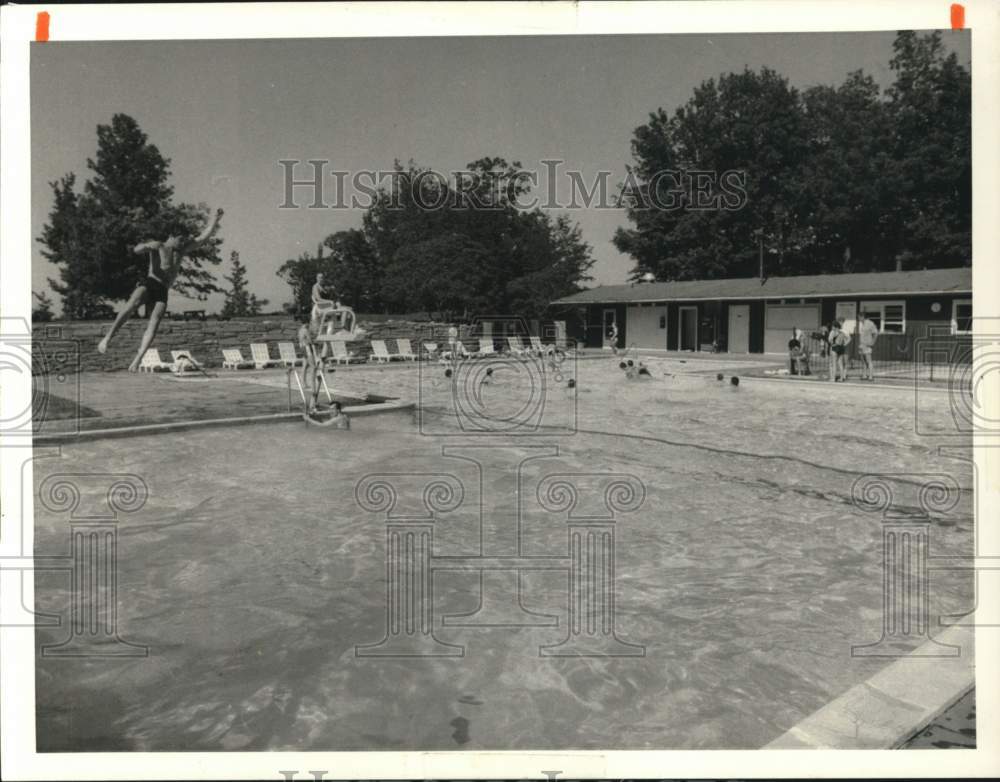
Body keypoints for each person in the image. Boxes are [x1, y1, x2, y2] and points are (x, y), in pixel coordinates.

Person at [98, 208, 223, 372]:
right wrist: (145, 246)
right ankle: (108, 337)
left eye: (184, 240)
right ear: (171, 237)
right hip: (150, 283)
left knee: (155, 322)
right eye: (181, 239)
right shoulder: (159, 246)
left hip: (162, 290)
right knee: (132, 304)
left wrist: (214, 220)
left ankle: (138, 359)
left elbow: (202, 238)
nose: (183, 242)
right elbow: (137, 249)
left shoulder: (182, 250)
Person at [858, 312, 878, 381]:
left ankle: (871, 376)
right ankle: (864, 375)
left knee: (869, 361)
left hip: (867, 345)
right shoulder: (862, 324)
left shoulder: (870, 323)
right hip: (862, 345)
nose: (859, 319)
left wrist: (872, 342)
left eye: (859, 317)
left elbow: (875, 333)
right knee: (863, 362)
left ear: (863, 317)